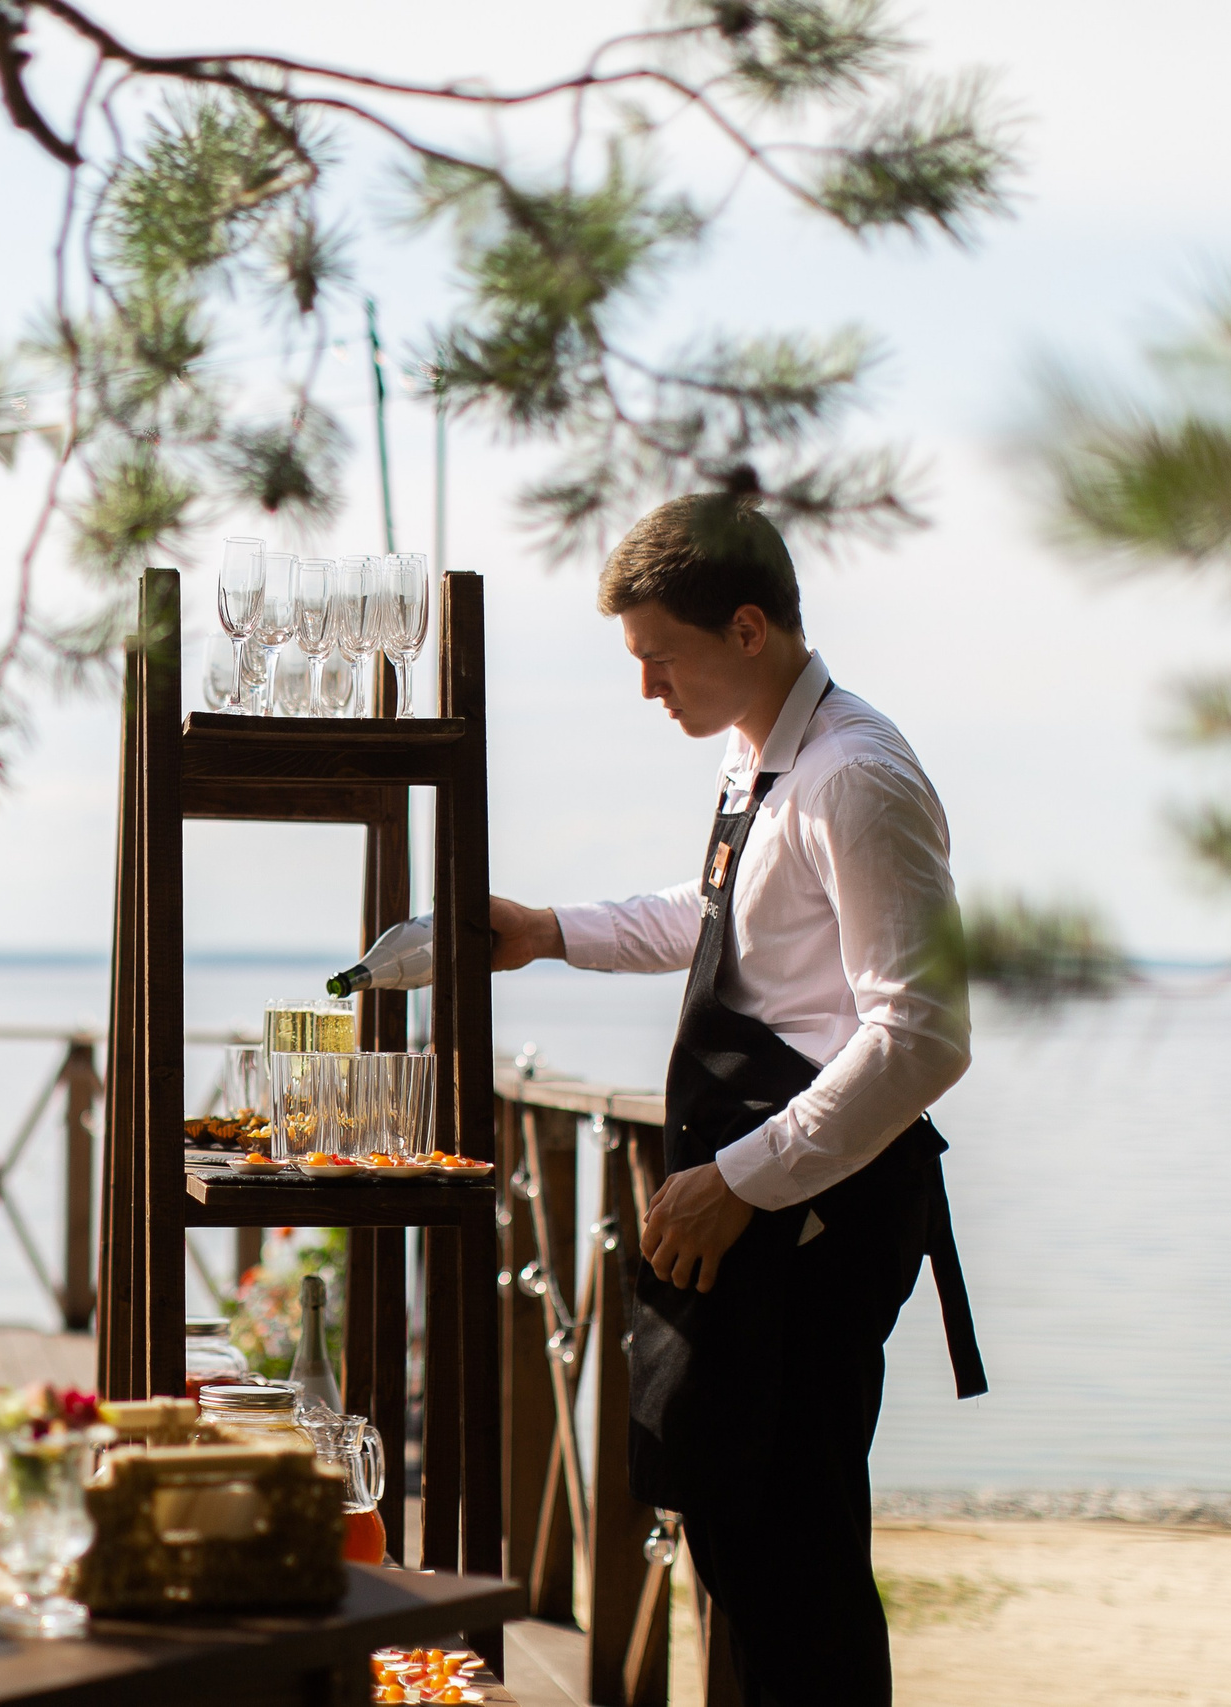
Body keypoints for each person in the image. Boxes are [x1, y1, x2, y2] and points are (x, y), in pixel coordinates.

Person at [488, 493, 986, 1705]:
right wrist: (548, 932)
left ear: (749, 628)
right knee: (733, 1537)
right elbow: (714, 917)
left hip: (821, 1217)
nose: (646, 687)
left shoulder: (855, 776)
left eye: (660, 656)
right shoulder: (759, 753)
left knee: (793, 1560)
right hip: (757, 1210)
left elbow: (922, 1036)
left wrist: (735, 1182)